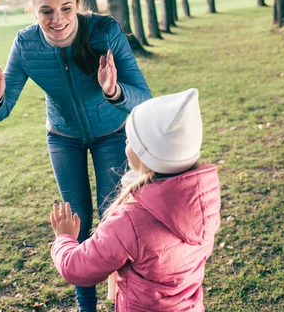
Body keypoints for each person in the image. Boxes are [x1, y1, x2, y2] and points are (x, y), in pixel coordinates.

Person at [0, 0, 152, 311]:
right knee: (77, 225)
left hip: (111, 133)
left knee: (113, 220)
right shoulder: (26, 45)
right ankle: (86, 307)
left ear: (78, 6)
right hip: (63, 138)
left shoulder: (104, 31)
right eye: (46, 11)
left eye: (66, 9)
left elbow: (143, 97)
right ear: (33, 11)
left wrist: (113, 91)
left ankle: (123, 303)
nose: (57, 19)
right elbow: (1, 112)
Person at [50, 88, 222, 312]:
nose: (126, 145)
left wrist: (64, 237)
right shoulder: (204, 200)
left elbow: (76, 268)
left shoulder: (130, 221)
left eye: (130, 141)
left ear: (148, 155)